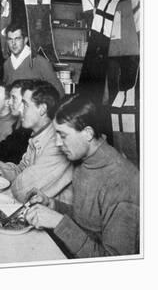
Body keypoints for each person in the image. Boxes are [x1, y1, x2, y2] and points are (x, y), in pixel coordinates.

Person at [24, 95, 139, 258]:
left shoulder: (122, 182)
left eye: (62, 135)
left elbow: (114, 264)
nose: (57, 143)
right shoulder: (84, 161)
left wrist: (58, 222)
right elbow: (89, 223)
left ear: (88, 133)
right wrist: (53, 206)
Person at [0, 81, 73, 203]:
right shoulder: (37, 136)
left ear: (42, 109)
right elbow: (20, 170)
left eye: (25, 105)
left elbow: (23, 190)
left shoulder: (57, 144)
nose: (20, 109)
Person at [2, 21, 64, 97]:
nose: (13, 43)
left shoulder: (40, 62)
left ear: (25, 40)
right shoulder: (7, 64)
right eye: (10, 39)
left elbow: (59, 92)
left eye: (17, 39)